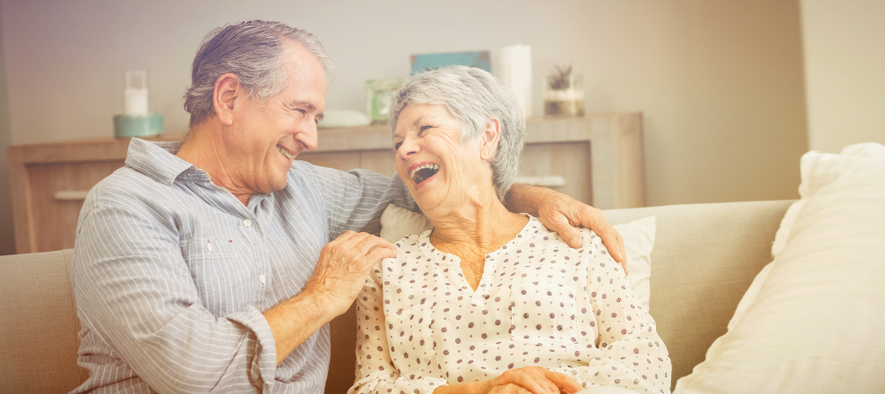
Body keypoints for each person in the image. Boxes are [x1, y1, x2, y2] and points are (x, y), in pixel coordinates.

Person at [71, 21, 625, 393]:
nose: (311, 136)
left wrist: (531, 196)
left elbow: (436, 185)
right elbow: (192, 373)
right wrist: (319, 299)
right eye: (301, 111)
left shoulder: (303, 188)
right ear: (229, 98)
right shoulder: (125, 207)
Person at [351, 66, 670, 394]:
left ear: (487, 137)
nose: (404, 150)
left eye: (424, 129)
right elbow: (369, 387)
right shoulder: (385, 269)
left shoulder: (576, 244)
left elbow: (643, 358)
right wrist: (480, 391)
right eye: (398, 142)